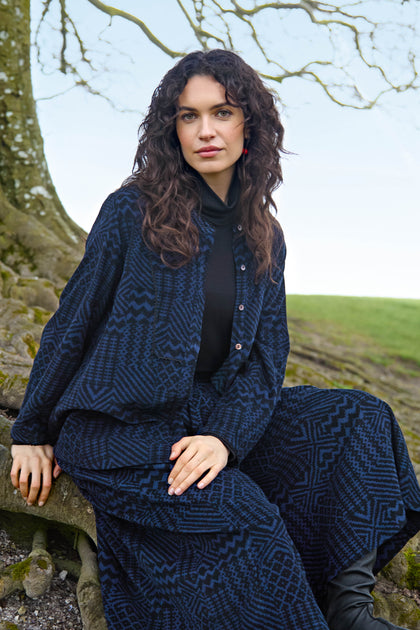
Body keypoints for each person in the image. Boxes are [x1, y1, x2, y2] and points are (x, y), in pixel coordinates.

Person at [9, 49, 420, 630]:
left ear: (248, 123)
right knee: (243, 512)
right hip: (118, 431)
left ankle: (347, 607)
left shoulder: (266, 236)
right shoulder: (132, 212)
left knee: (360, 417)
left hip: (209, 417)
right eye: (188, 116)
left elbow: (264, 360)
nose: (205, 130)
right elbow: (73, 321)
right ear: (170, 128)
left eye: (221, 112)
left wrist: (224, 437)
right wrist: (30, 428)